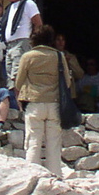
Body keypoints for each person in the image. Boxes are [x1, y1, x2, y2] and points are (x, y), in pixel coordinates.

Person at [13, 24, 64, 177]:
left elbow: (18, 82)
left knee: (33, 142)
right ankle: (56, 178)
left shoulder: (28, 56)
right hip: (54, 103)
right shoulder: (59, 56)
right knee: (53, 144)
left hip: (34, 103)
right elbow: (67, 82)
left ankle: (32, 178)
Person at [1, 0, 42, 96]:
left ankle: (21, 108)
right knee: (10, 78)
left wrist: (32, 42)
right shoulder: (10, 7)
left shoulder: (28, 3)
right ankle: (15, 106)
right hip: (9, 46)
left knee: (18, 76)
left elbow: (38, 23)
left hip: (21, 44)